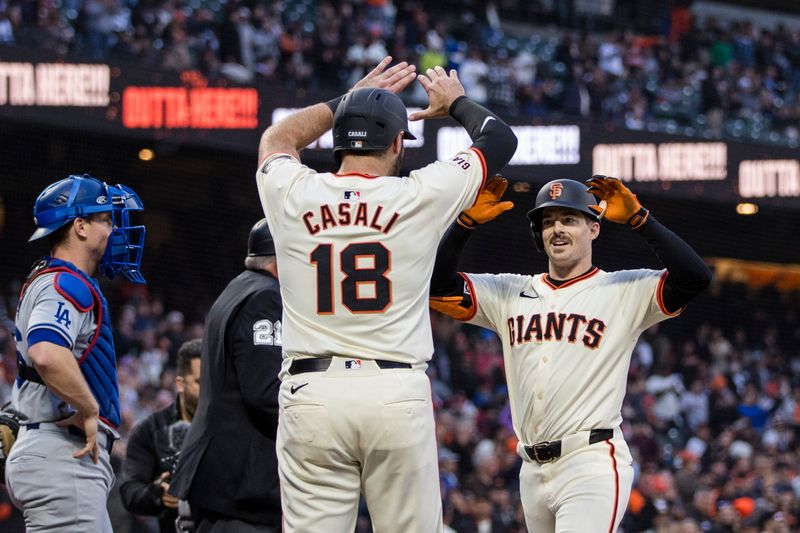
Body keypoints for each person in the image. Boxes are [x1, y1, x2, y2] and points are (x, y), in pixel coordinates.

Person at [256, 56, 517, 532]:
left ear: (336, 138)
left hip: (311, 391)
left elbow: (276, 140)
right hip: (394, 391)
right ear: (398, 142)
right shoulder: (419, 194)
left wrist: (343, 104)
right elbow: (500, 139)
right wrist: (455, 102)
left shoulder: (294, 192)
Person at [429, 175, 712, 532]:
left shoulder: (622, 289)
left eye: (569, 219)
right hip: (531, 469)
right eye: (548, 222)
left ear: (594, 228)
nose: (557, 229)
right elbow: (438, 287)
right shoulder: (510, 291)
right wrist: (463, 226)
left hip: (589, 461)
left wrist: (640, 219)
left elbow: (695, 278)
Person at [5, 174, 146, 531]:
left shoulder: (52, 278)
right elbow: (47, 352)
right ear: (80, 226)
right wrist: (88, 407)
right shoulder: (65, 282)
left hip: (55, 452)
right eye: (106, 220)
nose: (114, 230)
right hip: (61, 454)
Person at [169, 219, 283, 532]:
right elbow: (266, 393)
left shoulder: (239, 286)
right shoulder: (266, 298)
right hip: (239, 485)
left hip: (221, 478)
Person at [119, 338, 202, 532]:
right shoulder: (150, 430)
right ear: (180, 384)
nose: (208, 389)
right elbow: (130, 491)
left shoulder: (230, 424)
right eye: (199, 382)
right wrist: (157, 494)